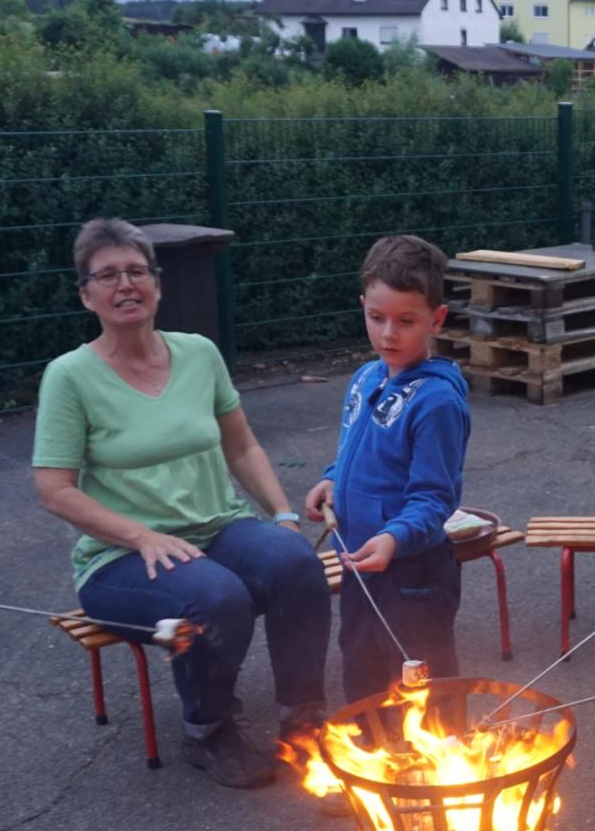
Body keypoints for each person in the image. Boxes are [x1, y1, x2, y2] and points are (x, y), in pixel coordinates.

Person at [33, 218, 329, 788]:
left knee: (296, 564)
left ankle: (305, 720)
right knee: (215, 597)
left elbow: (241, 445)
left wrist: (284, 516)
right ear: (85, 293)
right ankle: (210, 731)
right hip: (119, 559)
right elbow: (55, 489)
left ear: (158, 284)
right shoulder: (69, 377)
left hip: (217, 528)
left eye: (137, 272)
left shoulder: (198, 354)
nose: (126, 285)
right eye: (108, 275)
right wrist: (141, 536)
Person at [303, 235, 470, 706]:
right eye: (376, 318)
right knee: (363, 673)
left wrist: (395, 538)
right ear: (363, 306)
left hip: (415, 573)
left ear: (436, 319)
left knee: (426, 687)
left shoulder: (437, 401)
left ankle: (448, 775)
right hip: (360, 562)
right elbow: (355, 449)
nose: (388, 335)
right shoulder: (366, 377)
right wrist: (333, 477)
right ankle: (372, 765)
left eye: (406, 321)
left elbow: (435, 499)